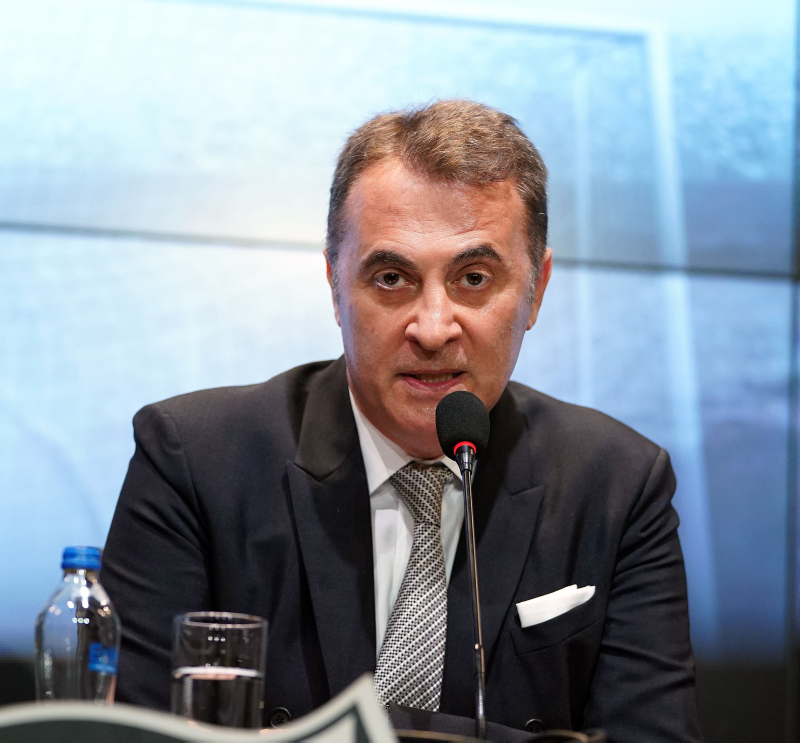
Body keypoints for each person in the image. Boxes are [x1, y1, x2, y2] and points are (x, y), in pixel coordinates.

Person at [101, 99, 702, 740]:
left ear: (537, 289)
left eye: (474, 278)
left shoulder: (616, 485)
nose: (434, 329)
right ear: (335, 286)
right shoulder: (194, 460)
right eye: (391, 278)